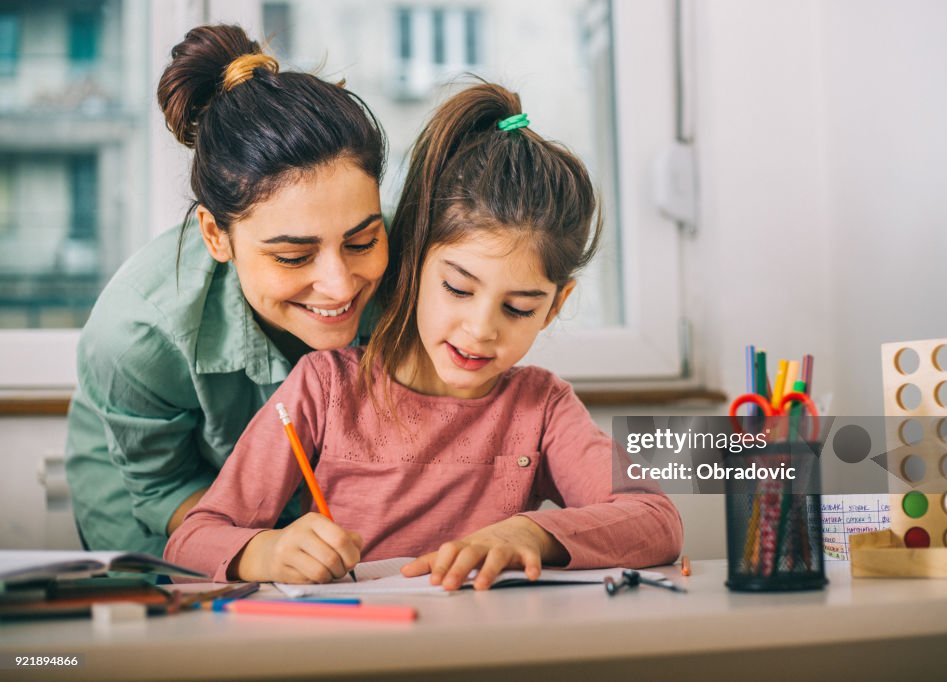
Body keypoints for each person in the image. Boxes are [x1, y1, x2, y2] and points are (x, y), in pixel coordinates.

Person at [165, 82, 683, 589]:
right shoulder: (325, 389)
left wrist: (530, 532)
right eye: (458, 289)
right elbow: (191, 539)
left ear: (555, 307)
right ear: (413, 264)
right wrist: (266, 551)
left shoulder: (542, 408)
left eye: (519, 307)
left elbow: (657, 520)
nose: (481, 330)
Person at [65, 24, 389, 557]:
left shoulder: (418, 269)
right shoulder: (137, 334)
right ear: (217, 236)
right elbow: (162, 487)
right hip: (159, 500)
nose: (339, 284)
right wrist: (260, 549)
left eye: (362, 241)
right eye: (293, 256)